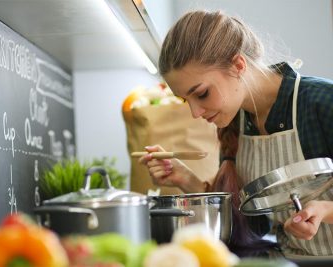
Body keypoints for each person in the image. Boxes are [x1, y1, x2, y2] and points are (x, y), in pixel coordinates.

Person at [138, 10, 333, 258]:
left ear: (238, 65)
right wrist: (187, 181)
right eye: (185, 100)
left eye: (201, 94)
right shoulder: (235, 122)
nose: (195, 113)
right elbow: (253, 224)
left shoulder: (322, 101)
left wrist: (325, 209)